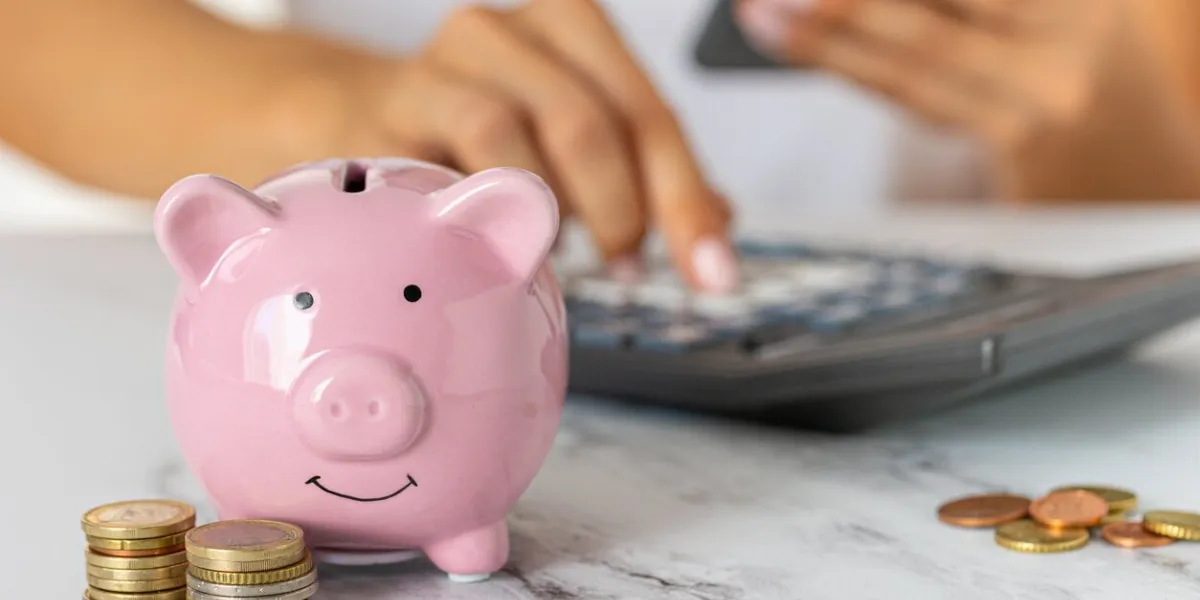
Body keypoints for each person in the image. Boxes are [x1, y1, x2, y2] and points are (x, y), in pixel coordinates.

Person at [2, 0, 1200, 293]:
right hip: (370, 275)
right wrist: (326, 116)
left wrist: (1085, 115)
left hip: (927, 323)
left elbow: (1154, 192)